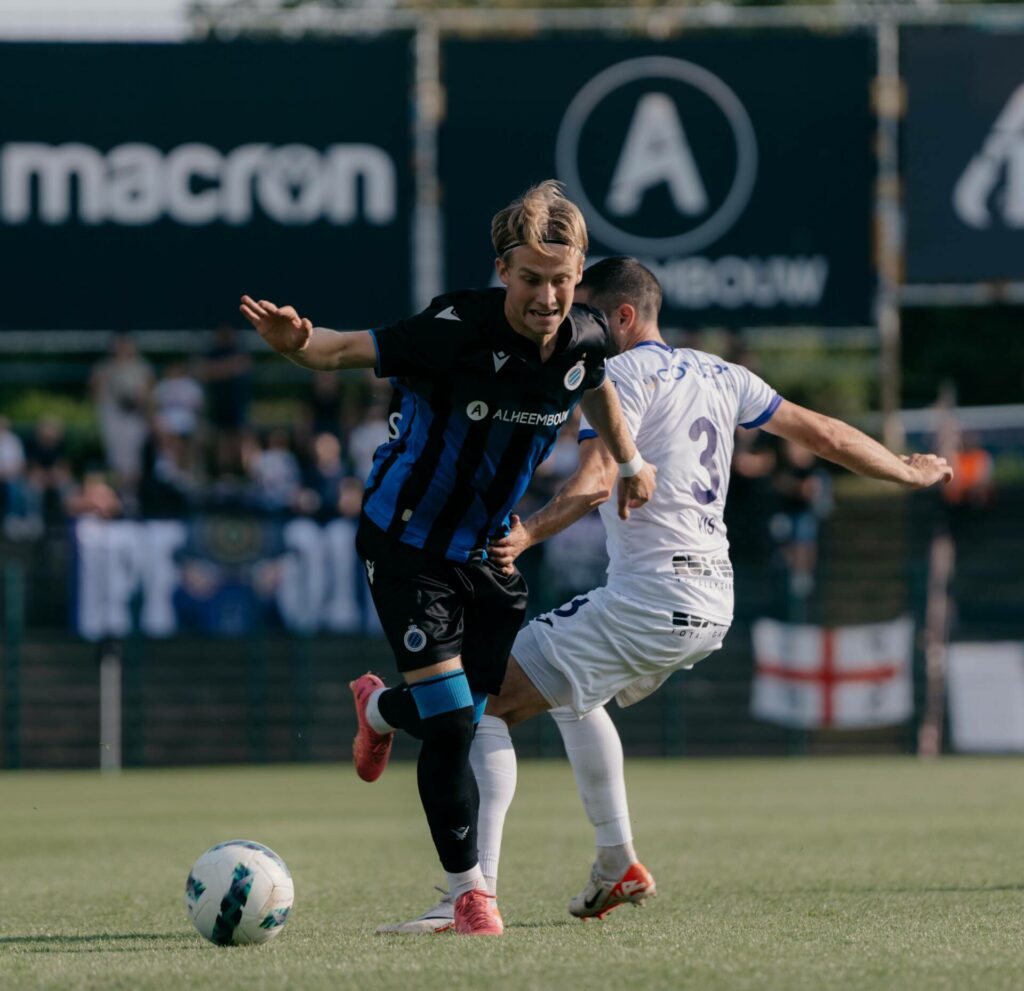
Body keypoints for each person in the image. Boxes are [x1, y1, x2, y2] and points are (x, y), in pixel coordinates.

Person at [379, 256, 954, 934]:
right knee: (570, 691)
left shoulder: (616, 372)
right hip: (713, 598)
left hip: (653, 595)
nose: (576, 326)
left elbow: (595, 481)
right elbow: (821, 432)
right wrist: (902, 469)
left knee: (489, 696)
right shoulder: (723, 373)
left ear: (622, 317)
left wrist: (526, 533)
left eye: (587, 314)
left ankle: (471, 898)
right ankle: (614, 859)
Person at [239, 182, 656, 936]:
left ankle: (376, 708)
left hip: (490, 553)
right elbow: (342, 349)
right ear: (505, 271)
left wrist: (628, 459)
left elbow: (595, 389)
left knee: (467, 707)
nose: (548, 296)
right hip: (406, 544)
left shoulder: (588, 335)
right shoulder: (453, 327)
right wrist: (297, 343)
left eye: (562, 279)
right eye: (531, 278)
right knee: (456, 724)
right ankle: (469, 897)